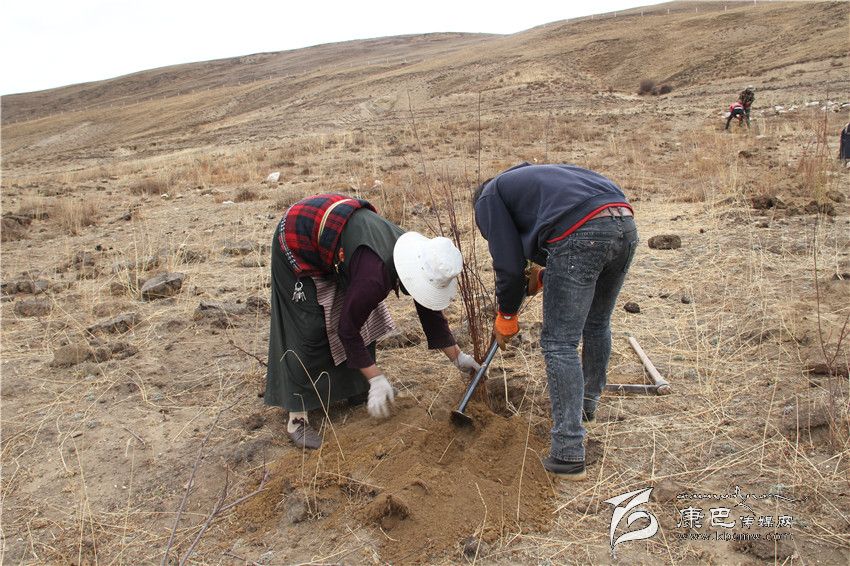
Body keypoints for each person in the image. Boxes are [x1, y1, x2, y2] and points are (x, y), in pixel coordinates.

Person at [265, 193, 480, 450]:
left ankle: (355, 388)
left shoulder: (414, 256)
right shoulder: (375, 276)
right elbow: (347, 330)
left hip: (340, 240)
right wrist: (377, 378)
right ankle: (297, 417)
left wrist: (458, 357)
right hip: (297, 237)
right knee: (308, 327)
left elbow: (428, 310)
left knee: (364, 317)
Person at [473, 163, 638, 480]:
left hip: (584, 233)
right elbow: (563, 233)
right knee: (597, 324)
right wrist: (548, 274)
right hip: (624, 224)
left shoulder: (488, 197)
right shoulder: (538, 180)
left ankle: (568, 452)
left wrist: (506, 315)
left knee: (559, 343)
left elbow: (509, 266)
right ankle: (586, 406)